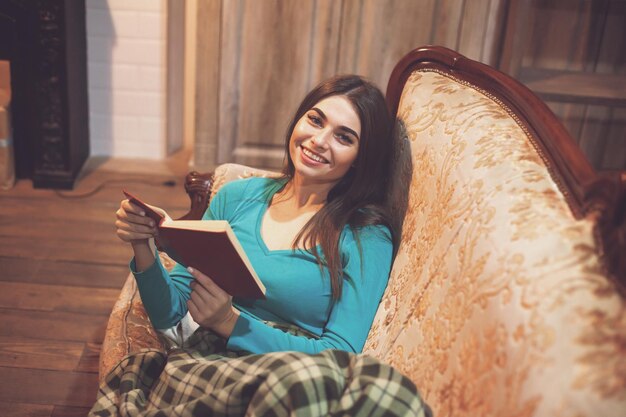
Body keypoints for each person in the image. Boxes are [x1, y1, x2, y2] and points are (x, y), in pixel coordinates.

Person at [96, 75, 431, 416]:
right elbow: (171, 313)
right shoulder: (236, 198)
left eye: (343, 137)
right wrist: (144, 245)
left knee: (387, 390)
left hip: (298, 376)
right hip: (211, 362)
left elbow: (342, 356)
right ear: (299, 119)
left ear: (360, 158)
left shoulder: (366, 236)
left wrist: (230, 321)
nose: (318, 140)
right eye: (315, 120)